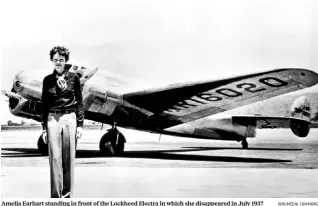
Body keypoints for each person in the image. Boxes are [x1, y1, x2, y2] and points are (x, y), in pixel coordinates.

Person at [41, 46, 84, 198]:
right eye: (55, 60)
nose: (58, 62)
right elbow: (44, 104)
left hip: (70, 119)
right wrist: (44, 128)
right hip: (52, 119)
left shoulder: (74, 78)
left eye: (61, 60)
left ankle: (67, 197)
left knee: (69, 159)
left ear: (66, 60)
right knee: (55, 159)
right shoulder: (47, 80)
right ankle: (55, 197)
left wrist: (80, 125)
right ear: (52, 61)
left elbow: (79, 102)